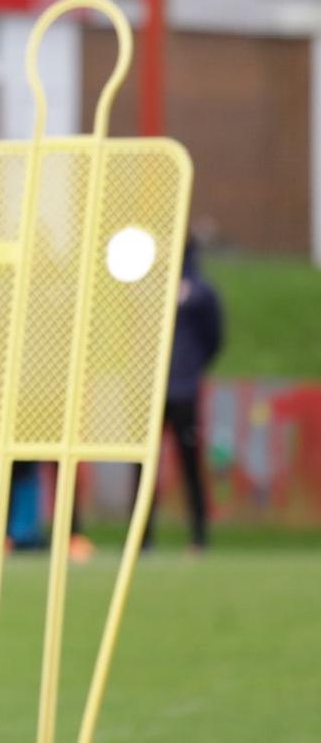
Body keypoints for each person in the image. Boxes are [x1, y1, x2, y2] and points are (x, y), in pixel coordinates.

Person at [141, 234, 225, 550]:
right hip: (150, 392)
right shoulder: (148, 287)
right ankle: (142, 538)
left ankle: (199, 537)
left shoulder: (201, 292)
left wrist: (191, 369)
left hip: (184, 392)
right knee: (145, 466)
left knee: (189, 463)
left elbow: (214, 336)